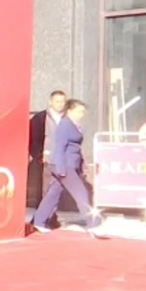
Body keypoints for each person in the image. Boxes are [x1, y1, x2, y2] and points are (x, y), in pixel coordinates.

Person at [31, 99, 101, 233]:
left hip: (68, 164)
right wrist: (61, 169)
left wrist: (81, 165)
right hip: (64, 165)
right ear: (69, 111)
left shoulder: (73, 125)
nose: (82, 114)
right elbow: (59, 147)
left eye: (83, 112)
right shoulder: (65, 125)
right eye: (79, 111)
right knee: (81, 193)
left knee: (53, 194)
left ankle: (38, 221)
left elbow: (75, 148)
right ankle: (93, 223)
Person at [28, 90, 67, 226]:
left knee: (56, 190)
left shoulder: (67, 118)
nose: (60, 104)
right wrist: (38, 155)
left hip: (62, 160)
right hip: (45, 160)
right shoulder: (40, 118)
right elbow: (33, 139)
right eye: (57, 101)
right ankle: (41, 220)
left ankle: (49, 217)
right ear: (50, 102)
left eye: (62, 101)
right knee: (46, 190)